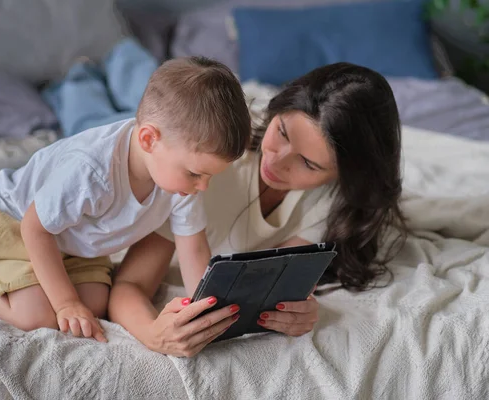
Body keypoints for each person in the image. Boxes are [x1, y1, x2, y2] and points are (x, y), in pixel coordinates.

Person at [0, 56, 252, 341]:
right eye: (196, 173)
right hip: (13, 221)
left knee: (95, 307)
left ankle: (58, 289)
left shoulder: (183, 181)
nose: (203, 186)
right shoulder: (91, 170)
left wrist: (203, 309)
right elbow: (35, 228)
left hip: (73, 241)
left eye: (210, 176)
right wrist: (66, 302)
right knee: (40, 317)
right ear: (149, 139)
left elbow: (193, 249)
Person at [108, 62, 408, 357]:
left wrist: (297, 308)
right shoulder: (202, 170)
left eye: (308, 163)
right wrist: (153, 335)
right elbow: (129, 284)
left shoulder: (333, 200)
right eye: (282, 132)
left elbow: (278, 280)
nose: (277, 162)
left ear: (343, 176)